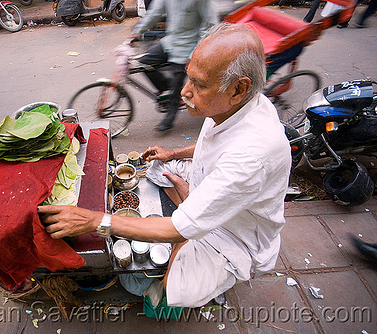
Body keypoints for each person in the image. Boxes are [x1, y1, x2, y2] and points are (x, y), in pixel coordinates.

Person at [38, 23, 292, 307]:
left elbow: (179, 227)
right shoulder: (238, 105)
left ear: (238, 88)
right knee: (158, 169)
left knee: (172, 288)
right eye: (189, 78)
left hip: (233, 235)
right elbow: (212, 145)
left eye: (199, 84)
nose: (184, 92)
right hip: (215, 185)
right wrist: (172, 154)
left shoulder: (251, 155)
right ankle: (190, 204)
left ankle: (202, 240)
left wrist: (93, 220)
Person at [130, 0, 218, 132]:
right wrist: (137, 32)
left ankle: (170, 116)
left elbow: (210, 25)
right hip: (170, 42)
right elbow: (154, 13)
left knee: (176, 81)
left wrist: (194, 53)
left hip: (189, 45)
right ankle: (169, 91)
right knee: (145, 62)